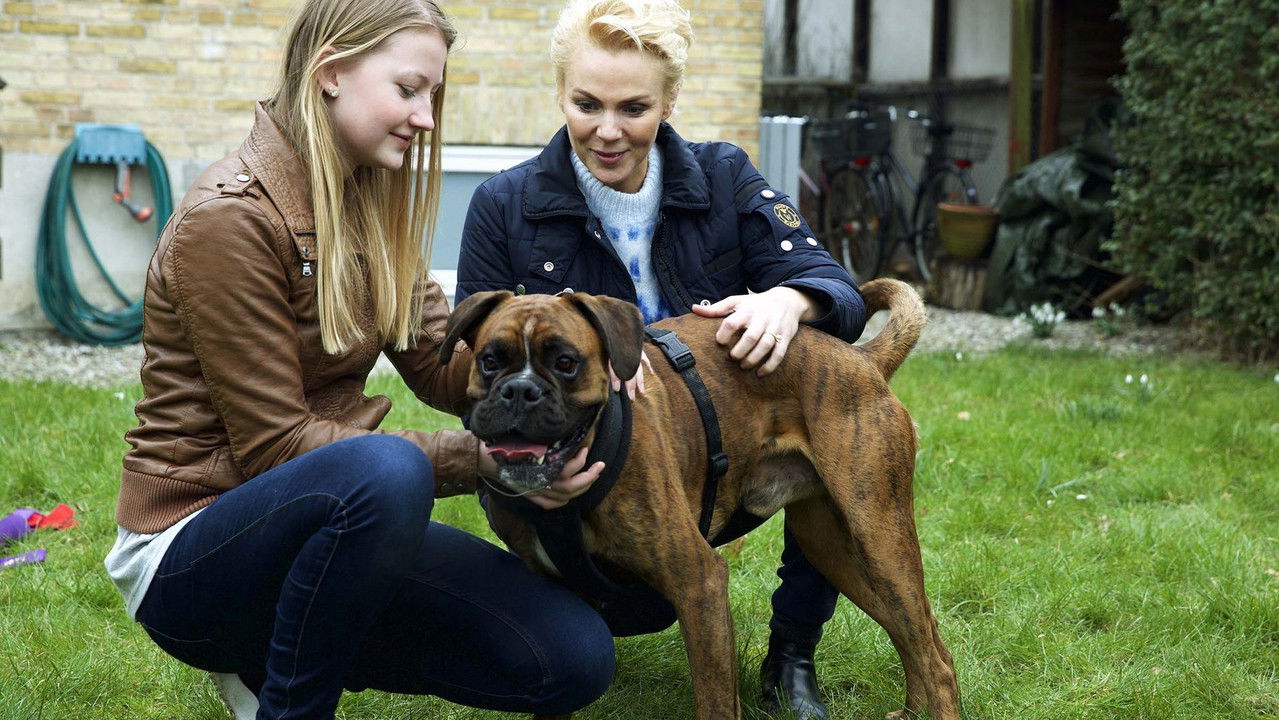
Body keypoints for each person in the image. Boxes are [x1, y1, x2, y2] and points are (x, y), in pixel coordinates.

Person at [103, 2, 616, 719]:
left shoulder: (369, 203)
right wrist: (482, 462)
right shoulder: (229, 220)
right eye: (408, 89)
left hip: (338, 521)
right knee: (388, 468)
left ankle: (277, 651)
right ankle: (290, 701)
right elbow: (276, 446)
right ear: (332, 72)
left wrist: (566, 358)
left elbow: (444, 367)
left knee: (571, 657)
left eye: (432, 94)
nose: (426, 117)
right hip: (192, 548)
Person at [456, 1, 867, 717]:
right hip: (574, 452)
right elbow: (469, 370)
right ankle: (573, 622)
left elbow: (837, 290)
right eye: (587, 104)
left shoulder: (724, 175)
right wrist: (508, 466)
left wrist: (790, 300)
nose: (608, 130)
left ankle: (793, 652)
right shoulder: (503, 204)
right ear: (560, 94)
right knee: (602, 625)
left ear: (669, 102)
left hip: (704, 439)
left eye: (634, 108)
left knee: (820, 413)